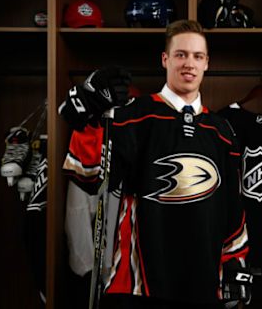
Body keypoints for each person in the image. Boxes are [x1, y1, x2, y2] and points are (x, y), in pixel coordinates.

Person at [59, 19, 251, 309]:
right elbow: (87, 173)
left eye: (198, 56)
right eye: (181, 54)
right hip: (139, 286)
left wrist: (236, 262)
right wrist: (91, 111)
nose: (189, 63)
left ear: (207, 63)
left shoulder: (222, 131)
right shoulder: (130, 116)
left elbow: (232, 207)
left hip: (204, 284)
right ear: (165, 59)